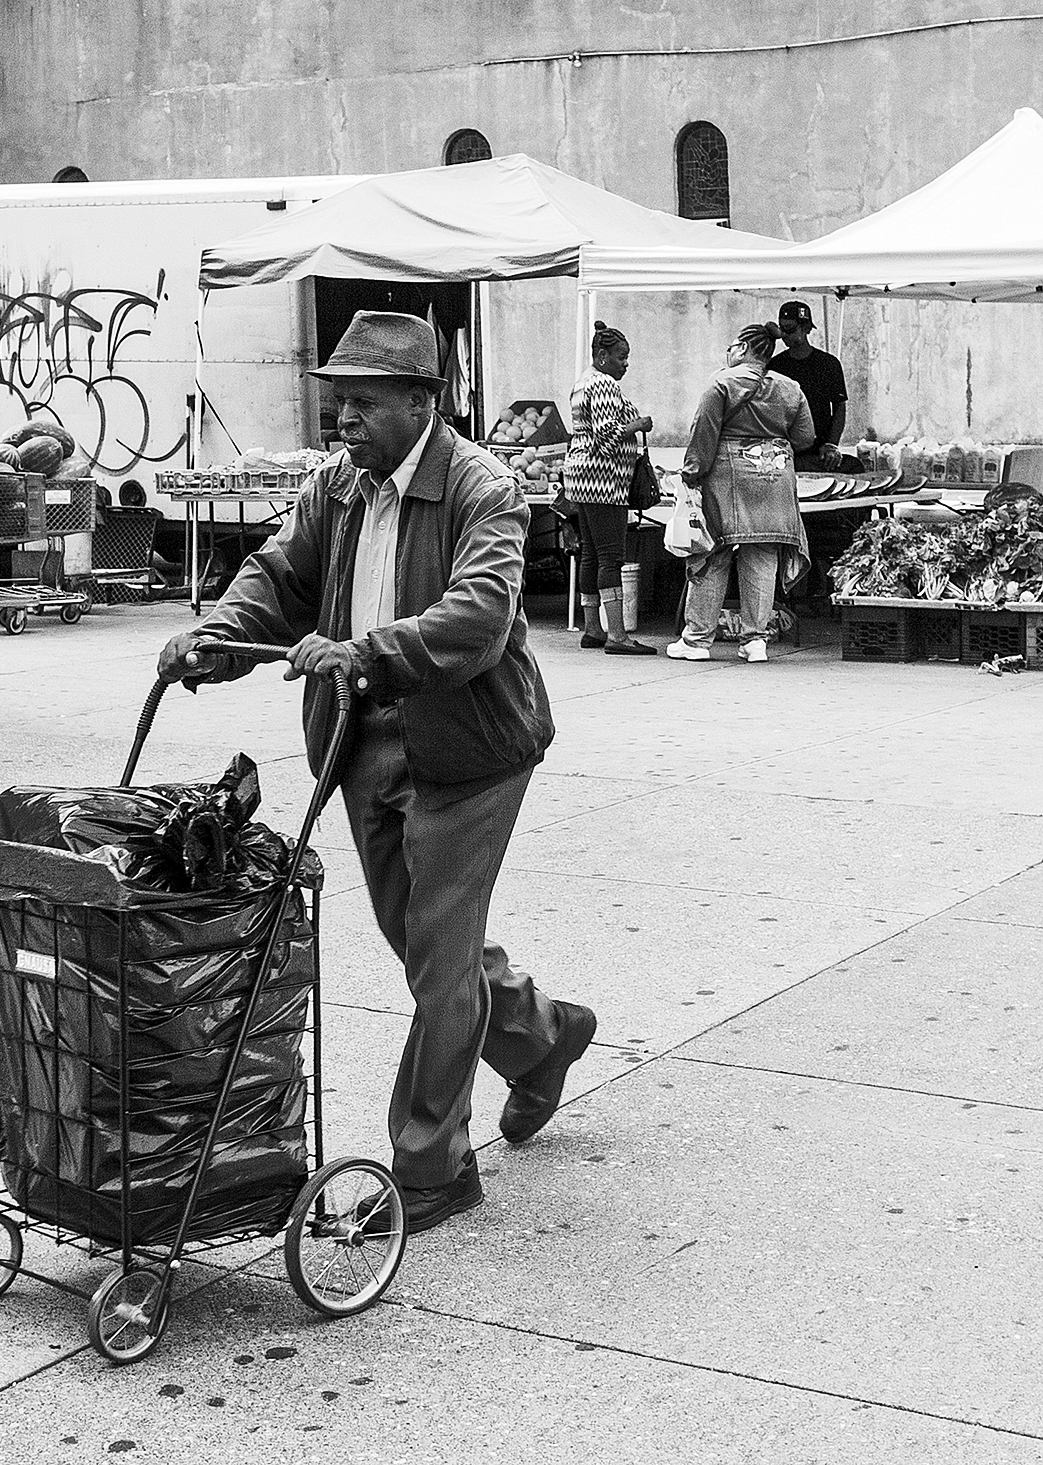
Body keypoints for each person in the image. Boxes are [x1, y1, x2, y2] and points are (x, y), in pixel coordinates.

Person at [157, 311, 597, 1234]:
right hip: (363, 740)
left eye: (361, 403)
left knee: (438, 955)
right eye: (337, 402)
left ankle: (431, 1163)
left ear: (419, 401)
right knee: (421, 940)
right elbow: (277, 571)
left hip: (470, 749)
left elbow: (477, 617)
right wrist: (217, 639)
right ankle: (543, 1037)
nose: (342, 420)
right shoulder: (337, 486)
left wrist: (364, 652)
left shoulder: (485, 487)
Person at [666, 321, 816, 665]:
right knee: (763, 555)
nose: (728, 352)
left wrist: (690, 475)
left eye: (732, 346)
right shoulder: (790, 388)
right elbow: (806, 437)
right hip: (775, 478)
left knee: (712, 553)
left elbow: (703, 433)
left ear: (745, 347)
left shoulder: (721, 383)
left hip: (728, 478)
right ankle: (756, 642)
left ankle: (697, 639)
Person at [562, 320, 657, 654]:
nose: (626, 364)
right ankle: (617, 634)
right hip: (603, 480)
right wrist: (639, 424)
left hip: (581, 479)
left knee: (591, 552)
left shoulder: (583, 382)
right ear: (601, 356)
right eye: (621, 357)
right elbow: (606, 437)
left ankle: (593, 629)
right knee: (610, 556)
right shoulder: (603, 384)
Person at [768, 299, 847, 471]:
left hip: (821, 452)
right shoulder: (775, 366)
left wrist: (832, 445)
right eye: (782, 329)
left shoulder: (829, 364)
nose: (784, 336)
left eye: (790, 329)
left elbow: (840, 406)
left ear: (806, 328)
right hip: (786, 451)